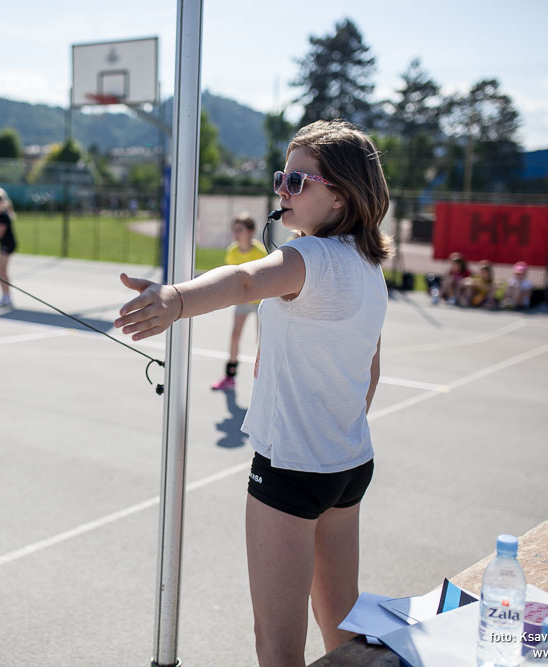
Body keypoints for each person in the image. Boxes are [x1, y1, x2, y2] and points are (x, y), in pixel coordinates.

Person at [115, 120, 390, 666]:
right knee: (343, 627)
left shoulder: (307, 258)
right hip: (349, 464)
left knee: (276, 645)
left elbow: (242, 282)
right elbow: (372, 368)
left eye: (295, 181)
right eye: (279, 178)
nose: (280, 191)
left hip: (291, 473)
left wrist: (174, 297)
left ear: (339, 194)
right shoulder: (368, 265)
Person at [211, 212, 269, 391]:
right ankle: (230, 376)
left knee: (262, 340)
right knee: (235, 335)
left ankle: (265, 379)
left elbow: (265, 277)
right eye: (234, 230)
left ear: (250, 231)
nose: (235, 233)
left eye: (239, 230)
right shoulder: (232, 251)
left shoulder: (260, 252)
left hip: (259, 301)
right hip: (243, 300)